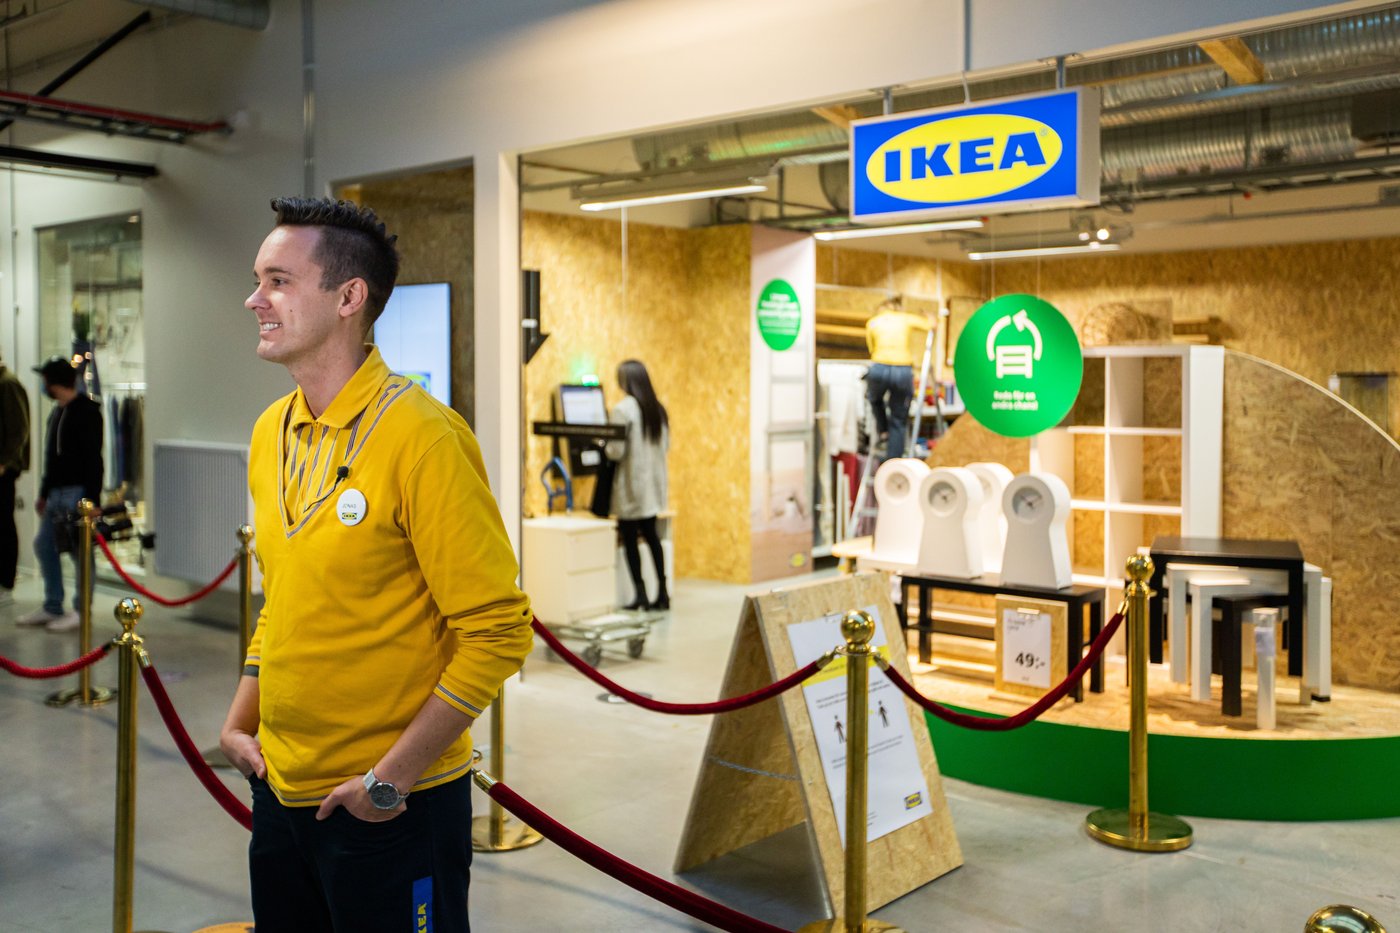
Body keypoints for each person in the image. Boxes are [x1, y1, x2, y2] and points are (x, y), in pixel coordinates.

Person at [219, 197, 532, 933]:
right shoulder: (271, 432)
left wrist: (390, 780)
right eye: (259, 281)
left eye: (278, 281)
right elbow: (284, 599)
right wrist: (239, 721)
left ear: (349, 297)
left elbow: (499, 630)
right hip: (280, 790)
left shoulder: (425, 438)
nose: (255, 299)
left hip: (390, 804)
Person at [15, 356, 102, 631]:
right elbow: (52, 458)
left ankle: (81, 610)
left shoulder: (87, 412)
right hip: (55, 494)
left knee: (80, 554)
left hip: (76, 493)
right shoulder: (57, 412)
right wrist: (44, 492)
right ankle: (52, 604)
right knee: (44, 545)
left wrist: (93, 499)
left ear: (54, 383)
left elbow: (94, 459)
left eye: (45, 381)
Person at [605, 359, 669, 611]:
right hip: (652, 485)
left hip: (631, 486)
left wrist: (603, 447)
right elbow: (666, 446)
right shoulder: (657, 409)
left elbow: (615, 451)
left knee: (630, 538)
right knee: (652, 536)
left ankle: (640, 593)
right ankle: (662, 593)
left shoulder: (623, 410)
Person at [863, 296, 932, 461]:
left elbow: (871, 349)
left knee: (873, 398)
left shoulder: (873, 322)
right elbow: (931, 325)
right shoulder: (905, 319)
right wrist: (930, 317)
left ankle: (883, 430)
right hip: (902, 369)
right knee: (899, 418)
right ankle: (893, 463)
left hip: (879, 366)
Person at [0, 354, 29, 608]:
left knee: (4, 524)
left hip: (4, 469)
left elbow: (19, 428)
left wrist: (4, 462)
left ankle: (6, 582)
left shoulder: (7, 383)